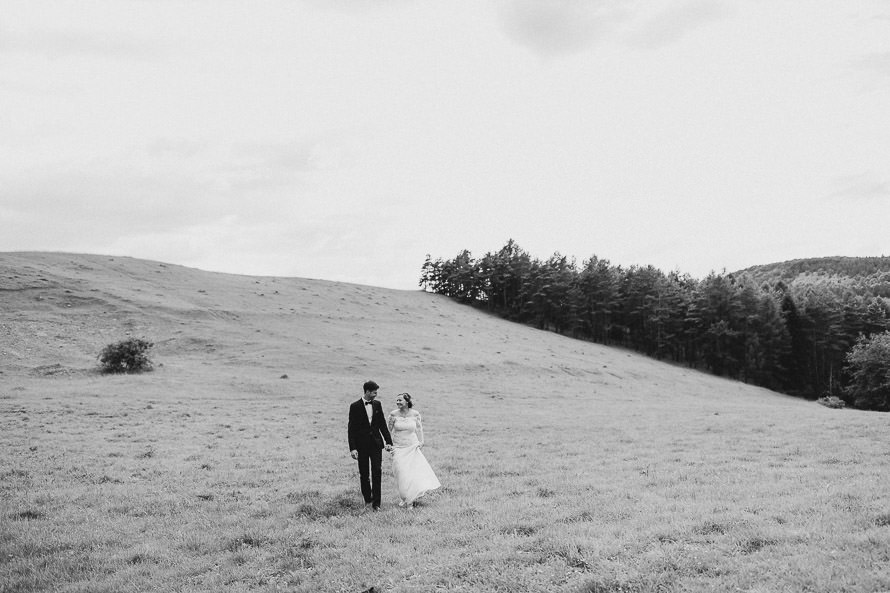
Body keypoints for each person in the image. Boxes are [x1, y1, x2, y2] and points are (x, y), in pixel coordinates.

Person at [388, 392, 440, 508]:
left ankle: (410, 501)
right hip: (398, 447)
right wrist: (389, 445)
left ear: (407, 401)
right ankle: (404, 497)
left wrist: (421, 441)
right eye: (397, 400)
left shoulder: (415, 414)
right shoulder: (393, 414)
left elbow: (419, 428)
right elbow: (389, 431)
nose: (398, 402)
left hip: (412, 446)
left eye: (400, 400)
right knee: (401, 472)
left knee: (411, 473)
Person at [348, 380, 393, 511]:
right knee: (364, 474)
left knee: (377, 472)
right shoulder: (355, 406)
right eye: (374, 392)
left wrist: (388, 441)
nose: (376, 395)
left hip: (376, 444)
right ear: (367, 392)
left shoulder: (378, 404)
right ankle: (368, 499)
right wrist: (353, 448)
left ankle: (377, 504)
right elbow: (351, 429)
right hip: (361, 446)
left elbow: (382, 424)